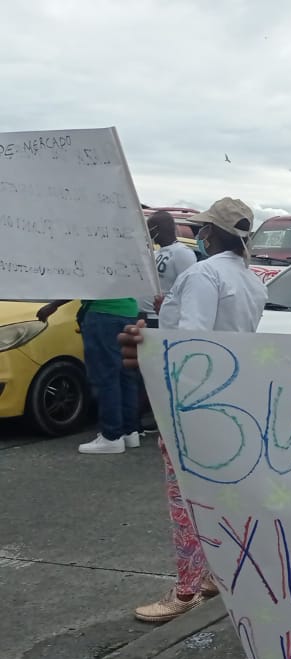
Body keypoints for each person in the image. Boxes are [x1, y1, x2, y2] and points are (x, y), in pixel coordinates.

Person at [127, 197, 268, 623]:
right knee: (215, 496)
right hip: (230, 399)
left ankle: (187, 589)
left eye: (204, 230)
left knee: (183, 497)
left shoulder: (205, 274)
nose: (199, 235)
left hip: (194, 400)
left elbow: (190, 344)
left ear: (211, 234)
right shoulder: (252, 281)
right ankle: (212, 576)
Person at [37, 295, 141, 454]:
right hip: (128, 311)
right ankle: (130, 432)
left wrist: (53, 305)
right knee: (125, 374)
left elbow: (82, 282)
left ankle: (111, 437)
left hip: (102, 313)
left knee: (105, 376)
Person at [147, 211, 197, 328]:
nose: (148, 232)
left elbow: (188, 287)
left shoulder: (182, 253)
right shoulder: (157, 252)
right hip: (147, 316)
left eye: (149, 228)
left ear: (158, 229)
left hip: (161, 317)